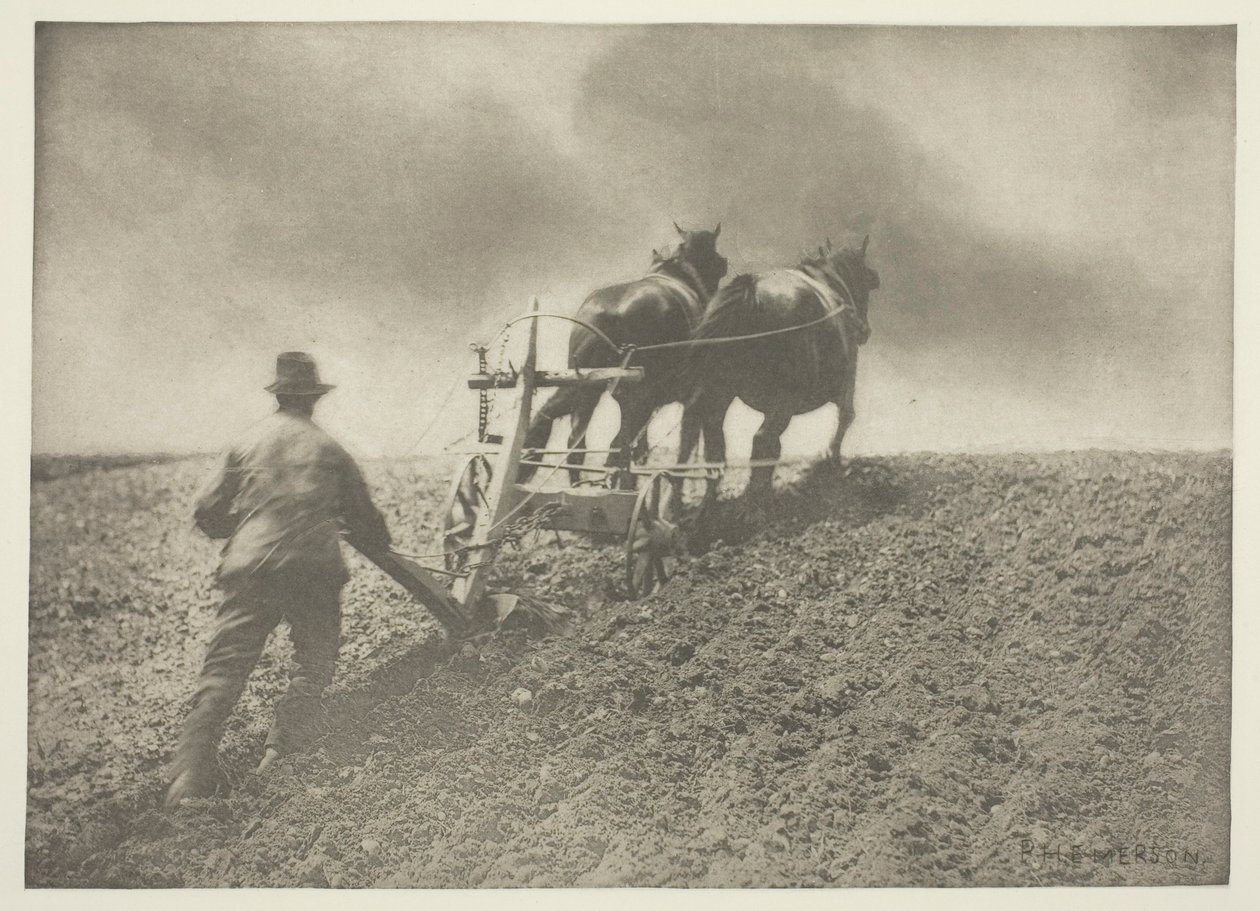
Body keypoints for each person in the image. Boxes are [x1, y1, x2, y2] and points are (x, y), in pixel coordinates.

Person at [165, 352, 392, 807]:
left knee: (223, 672)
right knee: (312, 664)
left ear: (279, 395)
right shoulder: (331, 450)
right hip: (313, 570)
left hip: (250, 570)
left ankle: (185, 785)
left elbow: (206, 512)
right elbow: (369, 526)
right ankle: (277, 761)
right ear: (312, 400)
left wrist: (246, 528)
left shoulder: (246, 442)